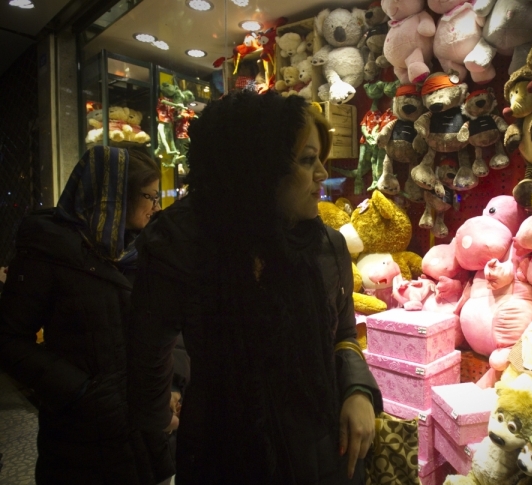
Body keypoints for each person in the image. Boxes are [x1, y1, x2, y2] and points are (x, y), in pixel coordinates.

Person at [127, 90, 382, 484]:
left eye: (321, 160)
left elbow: (343, 334)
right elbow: (148, 352)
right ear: (259, 167)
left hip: (322, 451)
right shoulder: (183, 246)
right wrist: (159, 424)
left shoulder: (324, 246)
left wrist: (358, 391)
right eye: (307, 160)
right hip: (223, 453)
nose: (321, 175)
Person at [0, 146, 172, 484]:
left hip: (143, 432)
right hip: (80, 437)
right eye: (149, 196)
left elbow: (165, 325)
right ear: (114, 196)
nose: (156, 206)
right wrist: (80, 391)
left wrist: (172, 387)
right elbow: (8, 339)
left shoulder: (141, 250)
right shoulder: (49, 250)